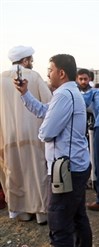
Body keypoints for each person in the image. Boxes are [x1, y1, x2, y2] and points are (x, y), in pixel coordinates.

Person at [14, 54, 92, 247]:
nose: (47, 73)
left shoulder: (64, 95)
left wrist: (41, 133)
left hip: (64, 169)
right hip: (75, 165)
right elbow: (43, 111)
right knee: (77, 216)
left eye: (50, 69)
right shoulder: (68, 93)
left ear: (61, 72)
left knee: (59, 222)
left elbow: (47, 131)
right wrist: (25, 94)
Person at [0, 45, 52, 224]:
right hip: (32, 134)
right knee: (36, 173)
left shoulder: (1, 79)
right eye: (30, 59)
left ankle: (21, 212)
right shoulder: (33, 76)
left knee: (15, 172)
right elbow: (49, 104)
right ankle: (40, 214)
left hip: (9, 136)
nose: (32, 62)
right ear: (25, 60)